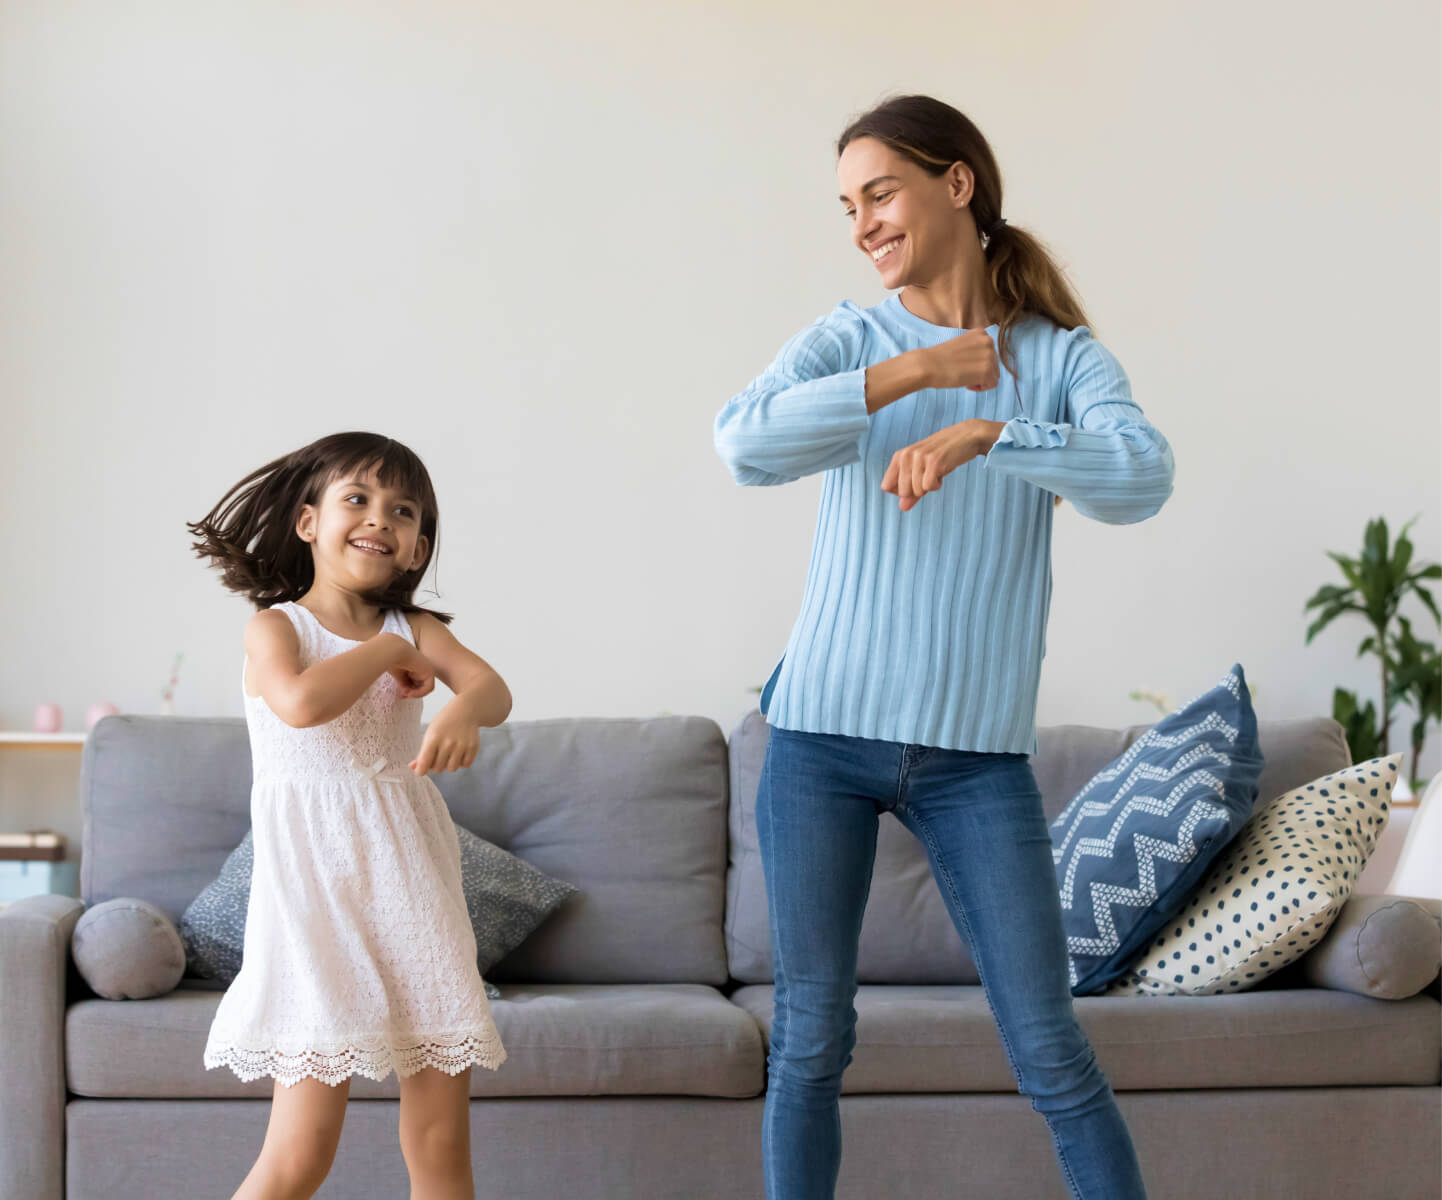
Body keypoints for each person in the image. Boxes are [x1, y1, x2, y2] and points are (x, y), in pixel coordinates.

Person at [713, 94, 1173, 1200]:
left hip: (975, 761)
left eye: (879, 193)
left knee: (1049, 1051)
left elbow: (1141, 477)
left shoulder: (1060, 362)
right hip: (818, 740)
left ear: (954, 183)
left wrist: (993, 434)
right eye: (847, 207)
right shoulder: (848, 338)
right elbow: (741, 445)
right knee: (811, 1043)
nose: (863, 223)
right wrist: (917, 375)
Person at [188, 431, 511, 1200]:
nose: (380, 519)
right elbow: (300, 705)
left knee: (440, 1143)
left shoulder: (419, 628)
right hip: (314, 906)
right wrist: (384, 657)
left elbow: (493, 690)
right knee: (302, 1153)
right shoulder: (276, 628)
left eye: (403, 511)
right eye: (358, 499)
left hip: (413, 888)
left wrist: (461, 706)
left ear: (417, 547)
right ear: (309, 522)